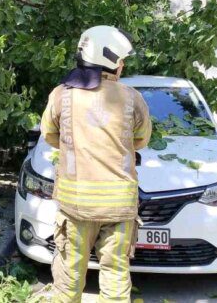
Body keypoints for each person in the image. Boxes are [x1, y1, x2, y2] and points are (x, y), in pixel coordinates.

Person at [41, 26, 152, 303]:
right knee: (115, 280)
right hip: (119, 207)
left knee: (68, 282)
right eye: (121, 59)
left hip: (75, 206)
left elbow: (49, 135)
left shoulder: (61, 95)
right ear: (111, 58)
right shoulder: (132, 98)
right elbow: (140, 141)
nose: (123, 65)